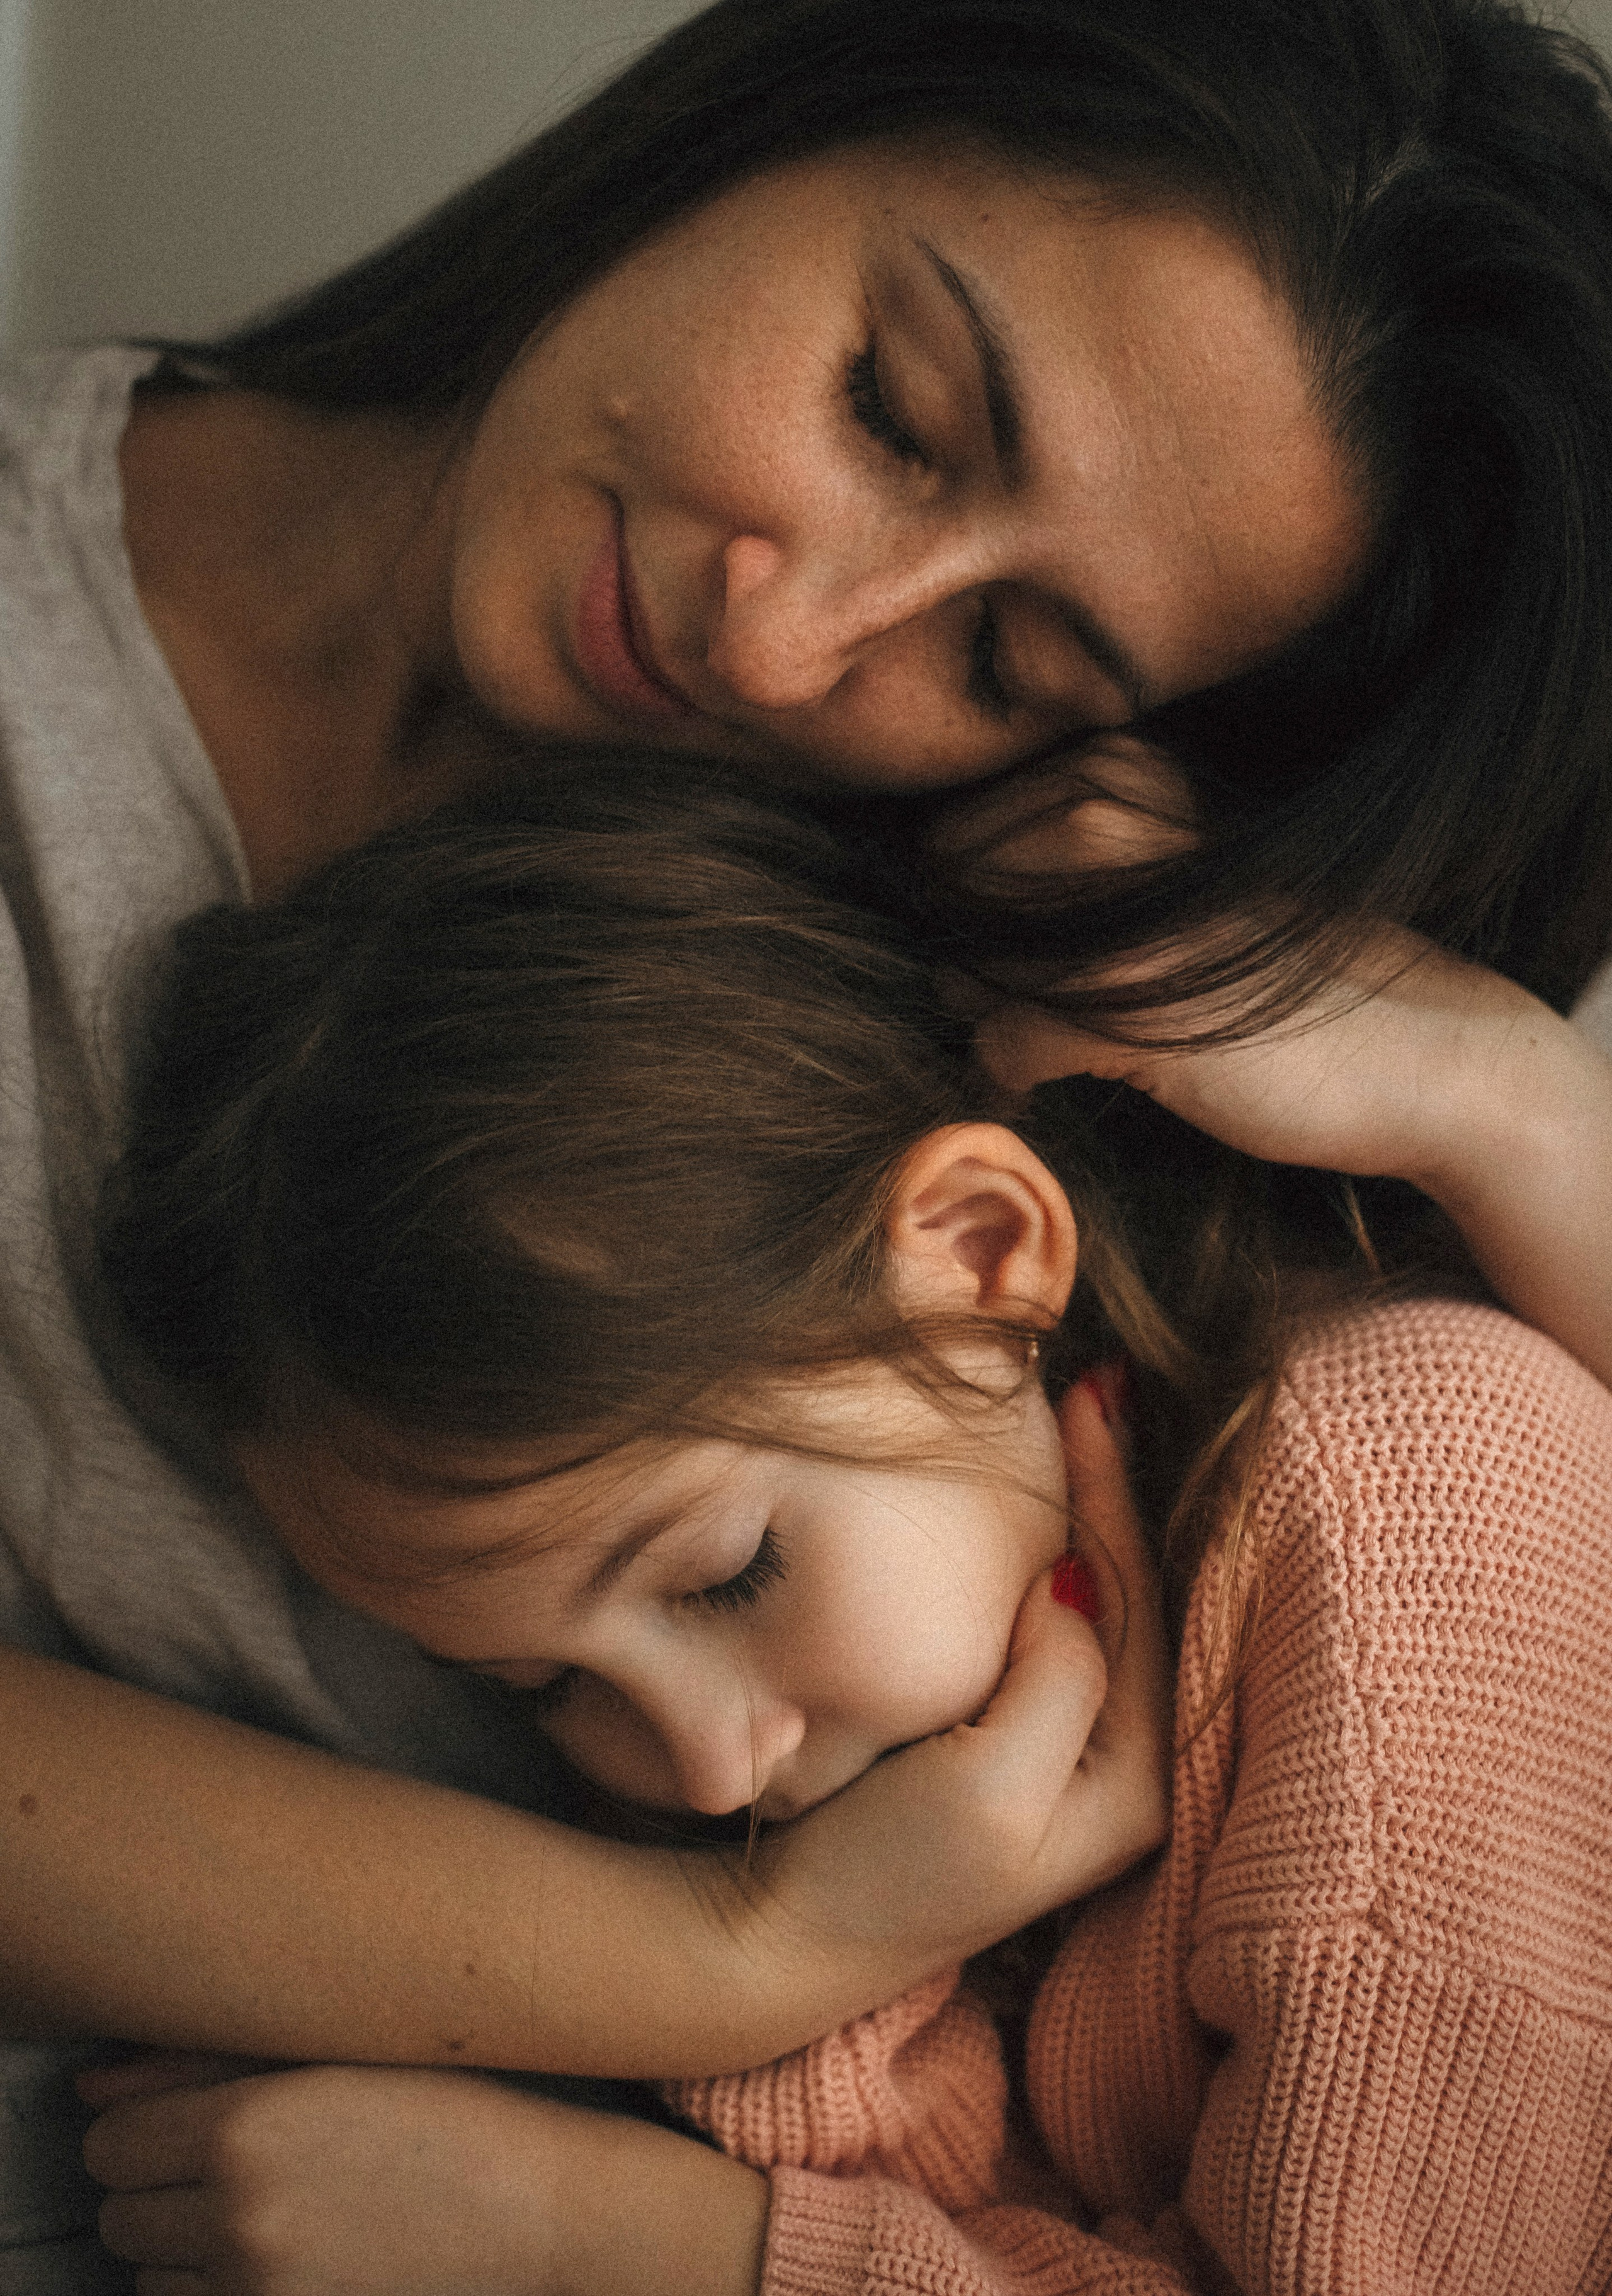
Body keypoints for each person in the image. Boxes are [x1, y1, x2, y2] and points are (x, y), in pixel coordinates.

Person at [6, 0, 1612, 2274]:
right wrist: (745, 1953)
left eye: (1015, 668)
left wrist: (1507, 1101)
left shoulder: (979, 1018)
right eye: (892, 404)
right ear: (804, 104)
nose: (792, 643)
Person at [71, 757, 1612, 2294]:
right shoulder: (805, 1771)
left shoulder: (1419, 1513)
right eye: (538, 1685)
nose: (708, 1770)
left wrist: (600, 2232)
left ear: (978, 1257)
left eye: (727, 1572)